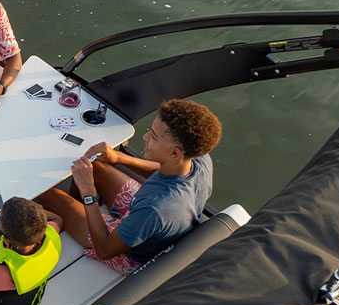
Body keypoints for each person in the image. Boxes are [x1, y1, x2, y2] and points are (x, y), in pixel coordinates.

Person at [38, 98, 221, 275]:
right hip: (145, 218)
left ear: (175, 152)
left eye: (153, 137)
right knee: (92, 164)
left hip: (127, 253)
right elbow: (162, 169)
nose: (145, 136)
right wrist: (119, 158)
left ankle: (64, 216)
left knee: (47, 193)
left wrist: (88, 192)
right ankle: (73, 215)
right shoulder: (198, 158)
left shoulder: (154, 208)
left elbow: (105, 249)